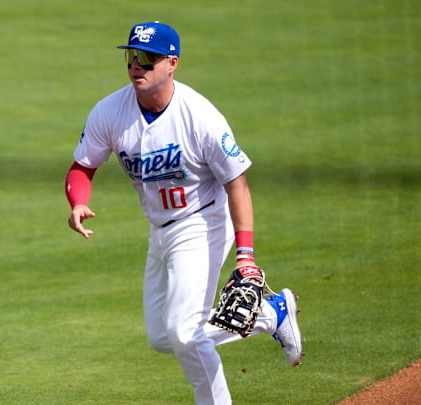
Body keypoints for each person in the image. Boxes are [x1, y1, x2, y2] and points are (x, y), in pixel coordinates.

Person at [64, 21, 303, 404]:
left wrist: (246, 255)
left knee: (183, 332)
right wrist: (77, 201)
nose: (136, 66)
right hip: (159, 230)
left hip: (204, 221)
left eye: (147, 58)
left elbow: (237, 183)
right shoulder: (110, 112)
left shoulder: (200, 116)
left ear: (172, 63)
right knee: (163, 338)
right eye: (131, 56)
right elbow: (82, 168)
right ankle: (269, 316)